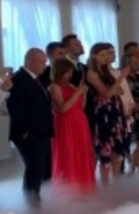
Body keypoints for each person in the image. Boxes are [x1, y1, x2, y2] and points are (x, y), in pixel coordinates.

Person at [7, 48, 53, 205]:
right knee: (35, 166)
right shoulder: (18, 79)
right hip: (28, 134)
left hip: (41, 132)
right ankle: (31, 202)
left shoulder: (35, 79)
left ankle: (37, 198)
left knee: (40, 167)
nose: (45, 65)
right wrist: (24, 132)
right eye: (41, 62)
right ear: (30, 61)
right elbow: (16, 108)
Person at [48, 58, 95, 193]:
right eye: (67, 72)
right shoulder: (54, 87)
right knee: (68, 153)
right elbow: (62, 108)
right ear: (59, 72)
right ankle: (68, 188)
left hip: (80, 122)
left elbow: (81, 106)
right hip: (65, 124)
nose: (70, 75)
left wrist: (84, 94)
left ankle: (83, 185)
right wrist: (77, 93)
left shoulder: (71, 86)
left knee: (82, 153)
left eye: (70, 72)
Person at [86, 43, 129, 184]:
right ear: (94, 56)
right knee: (106, 151)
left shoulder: (106, 72)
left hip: (115, 111)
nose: (106, 58)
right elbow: (107, 93)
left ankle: (116, 184)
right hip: (104, 113)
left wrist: (114, 89)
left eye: (107, 54)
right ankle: (105, 187)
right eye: (102, 55)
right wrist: (121, 77)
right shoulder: (91, 73)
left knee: (117, 152)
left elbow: (119, 91)